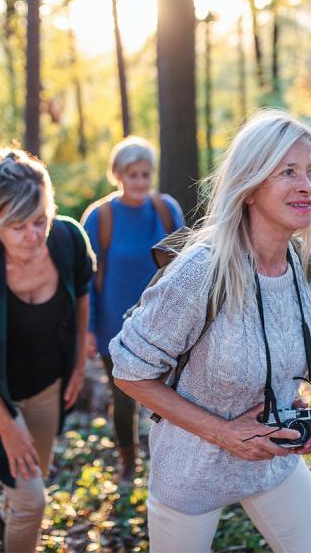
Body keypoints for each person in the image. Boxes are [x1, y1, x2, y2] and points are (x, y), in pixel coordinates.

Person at [109, 110, 311, 552]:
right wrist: (223, 432)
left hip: (272, 460)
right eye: (287, 172)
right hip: (191, 472)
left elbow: (279, 356)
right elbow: (127, 369)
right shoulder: (201, 271)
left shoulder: (300, 264)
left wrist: (298, 414)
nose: (306, 185)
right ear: (251, 186)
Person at [0, 149, 94, 552]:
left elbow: (81, 298)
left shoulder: (68, 239)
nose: (33, 235)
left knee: (32, 473)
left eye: (40, 220)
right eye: (18, 226)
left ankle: (5, 522)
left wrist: (78, 365)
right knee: (32, 499)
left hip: (47, 384)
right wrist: (8, 427)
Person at [80, 137, 185, 482]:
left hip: (164, 322)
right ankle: (128, 459)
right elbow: (86, 278)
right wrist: (89, 328)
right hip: (116, 325)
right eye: (133, 175)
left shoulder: (166, 210)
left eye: (145, 174)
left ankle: (169, 462)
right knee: (125, 397)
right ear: (119, 175)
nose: (140, 182)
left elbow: (187, 266)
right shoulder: (100, 218)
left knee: (170, 397)